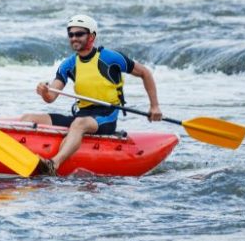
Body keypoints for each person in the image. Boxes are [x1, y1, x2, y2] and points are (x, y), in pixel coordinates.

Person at [21, 14, 162, 176]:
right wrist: (44, 91)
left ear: (91, 36)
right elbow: (51, 97)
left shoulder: (110, 58)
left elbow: (145, 73)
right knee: (28, 118)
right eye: (71, 34)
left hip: (105, 116)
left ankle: (54, 163)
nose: (74, 38)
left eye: (79, 34)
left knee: (79, 124)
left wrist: (154, 106)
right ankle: (21, 156)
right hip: (81, 115)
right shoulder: (69, 64)